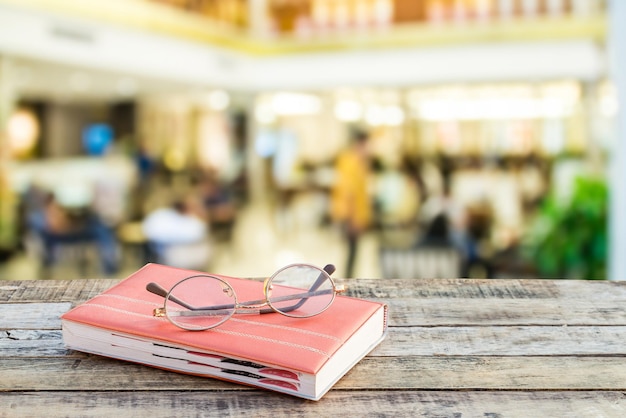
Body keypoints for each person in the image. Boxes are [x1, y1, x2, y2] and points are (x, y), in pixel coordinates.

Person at [330, 129, 373, 278]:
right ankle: (348, 281)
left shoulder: (357, 162)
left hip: (355, 214)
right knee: (352, 251)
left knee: (353, 252)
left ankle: (349, 279)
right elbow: (349, 192)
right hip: (351, 215)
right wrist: (352, 219)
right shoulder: (351, 162)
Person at [141, 196, 211, 270]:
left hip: (187, 258)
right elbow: (151, 232)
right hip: (171, 257)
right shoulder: (162, 216)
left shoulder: (193, 220)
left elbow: (198, 234)